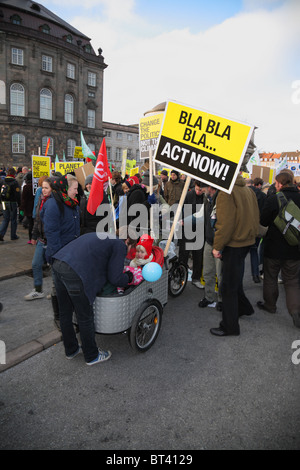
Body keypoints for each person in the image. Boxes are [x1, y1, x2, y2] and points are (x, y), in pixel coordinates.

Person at [51, 232, 134, 365]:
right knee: (85, 316)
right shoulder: (119, 244)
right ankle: (91, 355)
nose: (129, 251)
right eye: (131, 247)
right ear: (127, 240)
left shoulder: (102, 236)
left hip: (58, 264)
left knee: (65, 313)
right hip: (75, 273)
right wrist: (129, 278)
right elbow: (115, 278)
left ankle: (71, 350)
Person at [210, 173, 259, 337]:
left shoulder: (226, 192)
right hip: (246, 241)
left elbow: (224, 224)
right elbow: (255, 217)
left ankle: (230, 327)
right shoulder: (248, 190)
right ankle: (244, 308)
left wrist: (217, 247)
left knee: (228, 287)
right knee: (235, 280)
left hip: (234, 243)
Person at [257, 172, 300, 328]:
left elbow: (263, 220)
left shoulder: (274, 199)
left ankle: (270, 305)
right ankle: (295, 312)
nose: (275, 185)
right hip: (294, 249)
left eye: (276, 183)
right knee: (292, 282)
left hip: (273, 247)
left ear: (281, 184)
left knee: (270, 277)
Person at [41, 174, 80, 329]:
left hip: (71, 255)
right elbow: (52, 234)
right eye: (75, 189)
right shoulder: (53, 205)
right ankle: (62, 322)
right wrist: (59, 257)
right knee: (61, 291)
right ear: (66, 188)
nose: (77, 192)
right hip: (61, 257)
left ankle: (68, 322)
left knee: (69, 292)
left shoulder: (71, 204)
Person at [24, 178, 52, 300]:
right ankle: (38, 289)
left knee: (54, 268)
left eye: (46, 188)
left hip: (51, 240)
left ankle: (55, 291)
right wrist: (34, 235)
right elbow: (38, 220)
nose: (44, 190)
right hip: (41, 239)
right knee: (36, 264)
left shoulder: (55, 201)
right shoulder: (41, 198)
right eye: (43, 188)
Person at [178, 181, 206, 289]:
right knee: (183, 255)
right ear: (194, 187)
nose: (199, 192)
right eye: (197, 189)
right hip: (187, 228)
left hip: (200, 229)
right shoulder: (188, 195)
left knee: (198, 256)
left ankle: (196, 278)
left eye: (201, 190)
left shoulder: (205, 197)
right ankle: (181, 277)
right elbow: (180, 208)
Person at [198, 184, 222, 309]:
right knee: (207, 272)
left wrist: (220, 246)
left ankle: (222, 301)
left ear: (210, 187)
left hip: (220, 243)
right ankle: (209, 297)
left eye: (203, 188)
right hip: (209, 241)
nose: (201, 190)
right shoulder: (207, 199)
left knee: (221, 274)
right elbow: (201, 217)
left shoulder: (223, 199)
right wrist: (183, 221)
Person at [249, 177, 267, 283]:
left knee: (241, 254)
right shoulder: (263, 196)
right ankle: (255, 274)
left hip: (245, 228)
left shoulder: (245, 195)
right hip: (257, 227)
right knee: (254, 250)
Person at [0, 167, 21, 241]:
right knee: (13, 219)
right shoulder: (15, 182)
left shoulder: (3, 181)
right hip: (12, 203)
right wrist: (19, 203)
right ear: (14, 173)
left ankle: (1, 233)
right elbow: (18, 194)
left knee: (5, 219)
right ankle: (13, 235)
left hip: (3, 202)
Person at [20, 172, 34, 243]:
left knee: (30, 224)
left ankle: (30, 238)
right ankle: (35, 238)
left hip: (28, 208)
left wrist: (21, 209)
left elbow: (23, 199)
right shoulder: (35, 186)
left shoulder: (26, 187)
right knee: (35, 223)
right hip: (34, 207)